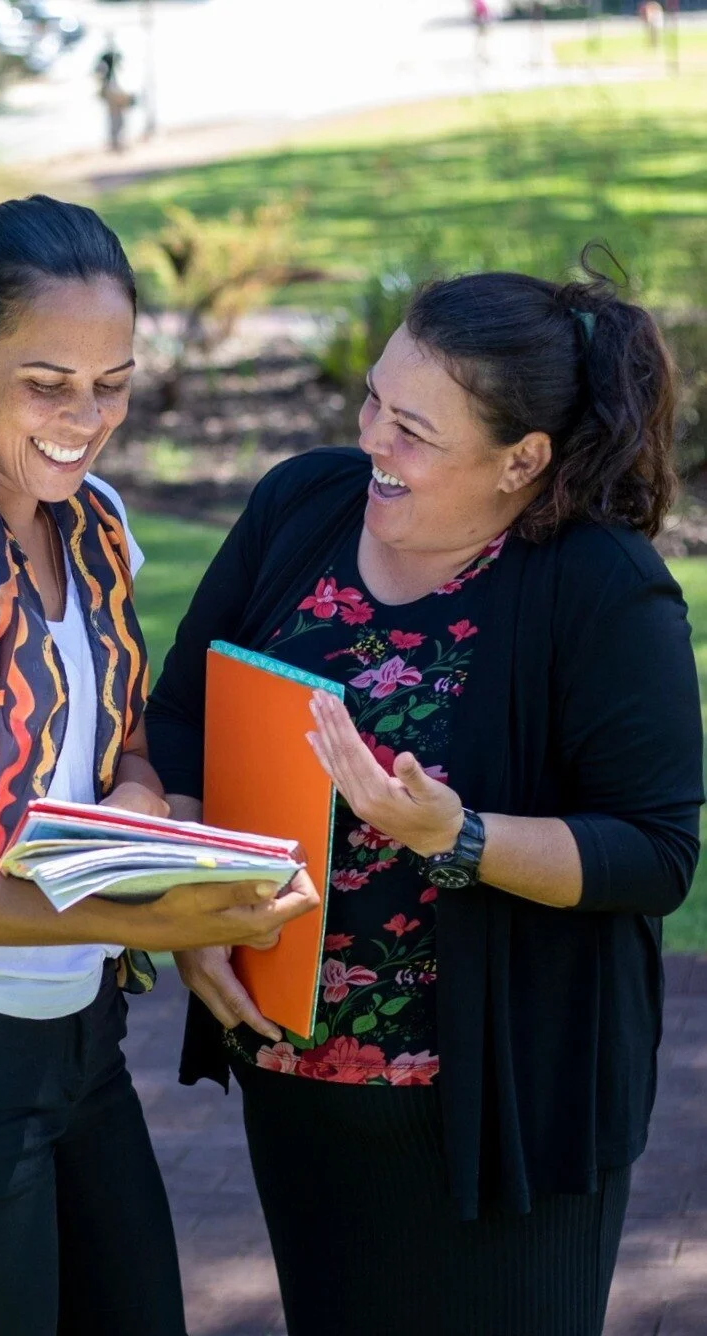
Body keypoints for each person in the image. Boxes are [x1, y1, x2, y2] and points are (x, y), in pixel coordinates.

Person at [146, 255, 703, 1334]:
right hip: (298, 1083)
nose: (371, 441)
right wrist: (188, 895)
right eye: (372, 399)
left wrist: (461, 836)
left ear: (520, 459)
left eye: (415, 429)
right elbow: (180, 719)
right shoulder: (300, 506)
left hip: (508, 1118)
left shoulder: (603, 587)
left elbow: (656, 852)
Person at [0, 193, 318, 1336]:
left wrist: (139, 813)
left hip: (79, 1046)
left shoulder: (94, 524)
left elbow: (121, 734)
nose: (84, 419)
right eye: (47, 382)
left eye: (114, 382)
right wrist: (143, 923)